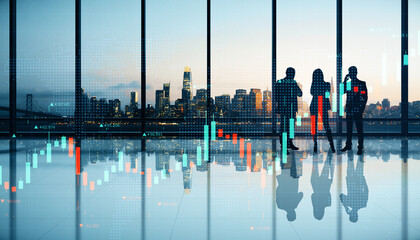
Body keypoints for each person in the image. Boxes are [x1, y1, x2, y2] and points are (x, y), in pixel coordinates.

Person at [340, 66, 368, 155]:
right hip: (352, 109)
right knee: (351, 128)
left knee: (358, 129)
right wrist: (345, 81)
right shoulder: (350, 84)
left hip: (356, 109)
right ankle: (352, 145)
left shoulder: (361, 83)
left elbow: (364, 97)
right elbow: (341, 92)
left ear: (354, 73)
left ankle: (359, 146)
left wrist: (361, 108)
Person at [274, 67, 302, 151]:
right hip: (290, 108)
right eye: (293, 74)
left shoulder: (280, 82)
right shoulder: (292, 83)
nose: (293, 76)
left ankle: (285, 144)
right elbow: (300, 93)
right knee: (289, 127)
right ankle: (288, 143)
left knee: (284, 127)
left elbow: (276, 96)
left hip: (285, 108)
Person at [310, 69, 335, 153]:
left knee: (314, 126)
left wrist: (318, 92)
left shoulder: (314, 84)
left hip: (315, 104)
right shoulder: (327, 84)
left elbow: (312, 93)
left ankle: (315, 144)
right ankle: (331, 144)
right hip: (322, 104)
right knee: (326, 125)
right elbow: (327, 94)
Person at [340, 152, 368, 223]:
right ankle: (351, 145)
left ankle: (360, 145)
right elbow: (341, 196)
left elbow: (366, 190)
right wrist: (346, 207)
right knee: (350, 160)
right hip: (351, 180)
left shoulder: (363, 204)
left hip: (358, 179)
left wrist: (363, 179)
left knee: (359, 161)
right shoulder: (349, 203)